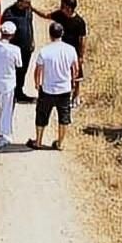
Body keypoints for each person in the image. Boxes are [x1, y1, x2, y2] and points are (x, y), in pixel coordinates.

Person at [29, 22, 80, 150]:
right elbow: (76, 68)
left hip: (47, 89)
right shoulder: (70, 49)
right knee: (63, 117)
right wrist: (73, 82)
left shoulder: (45, 51)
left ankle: (38, 141)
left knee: (41, 115)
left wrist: (37, 83)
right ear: (62, 33)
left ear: (50, 35)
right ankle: (60, 143)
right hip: (64, 89)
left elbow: (38, 69)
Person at [44, 0, 88, 105]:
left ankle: (76, 95)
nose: (60, 7)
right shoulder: (59, 15)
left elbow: (82, 40)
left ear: (69, 8)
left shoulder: (79, 22)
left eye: (63, 6)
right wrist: (33, 8)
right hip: (61, 51)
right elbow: (46, 15)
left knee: (77, 75)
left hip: (74, 52)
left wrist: (81, 56)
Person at [1, 0, 44, 102]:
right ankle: (11, 94)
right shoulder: (9, 13)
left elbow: (29, 26)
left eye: (29, 3)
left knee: (23, 71)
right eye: (26, 3)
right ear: (19, 2)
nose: (28, 5)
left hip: (26, 48)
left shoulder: (28, 11)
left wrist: (32, 41)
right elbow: (4, 31)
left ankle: (19, 92)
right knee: (13, 71)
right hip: (14, 49)